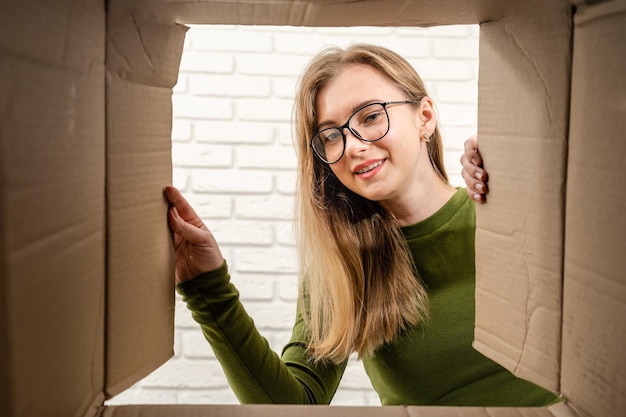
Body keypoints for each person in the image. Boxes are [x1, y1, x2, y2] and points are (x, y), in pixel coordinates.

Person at [164, 44, 559, 406]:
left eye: (370, 116)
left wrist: (524, 165)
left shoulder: (506, 213)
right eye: (331, 136)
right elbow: (292, 408)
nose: (353, 145)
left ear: (425, 117)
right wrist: (208, 290)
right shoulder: (344, 267)